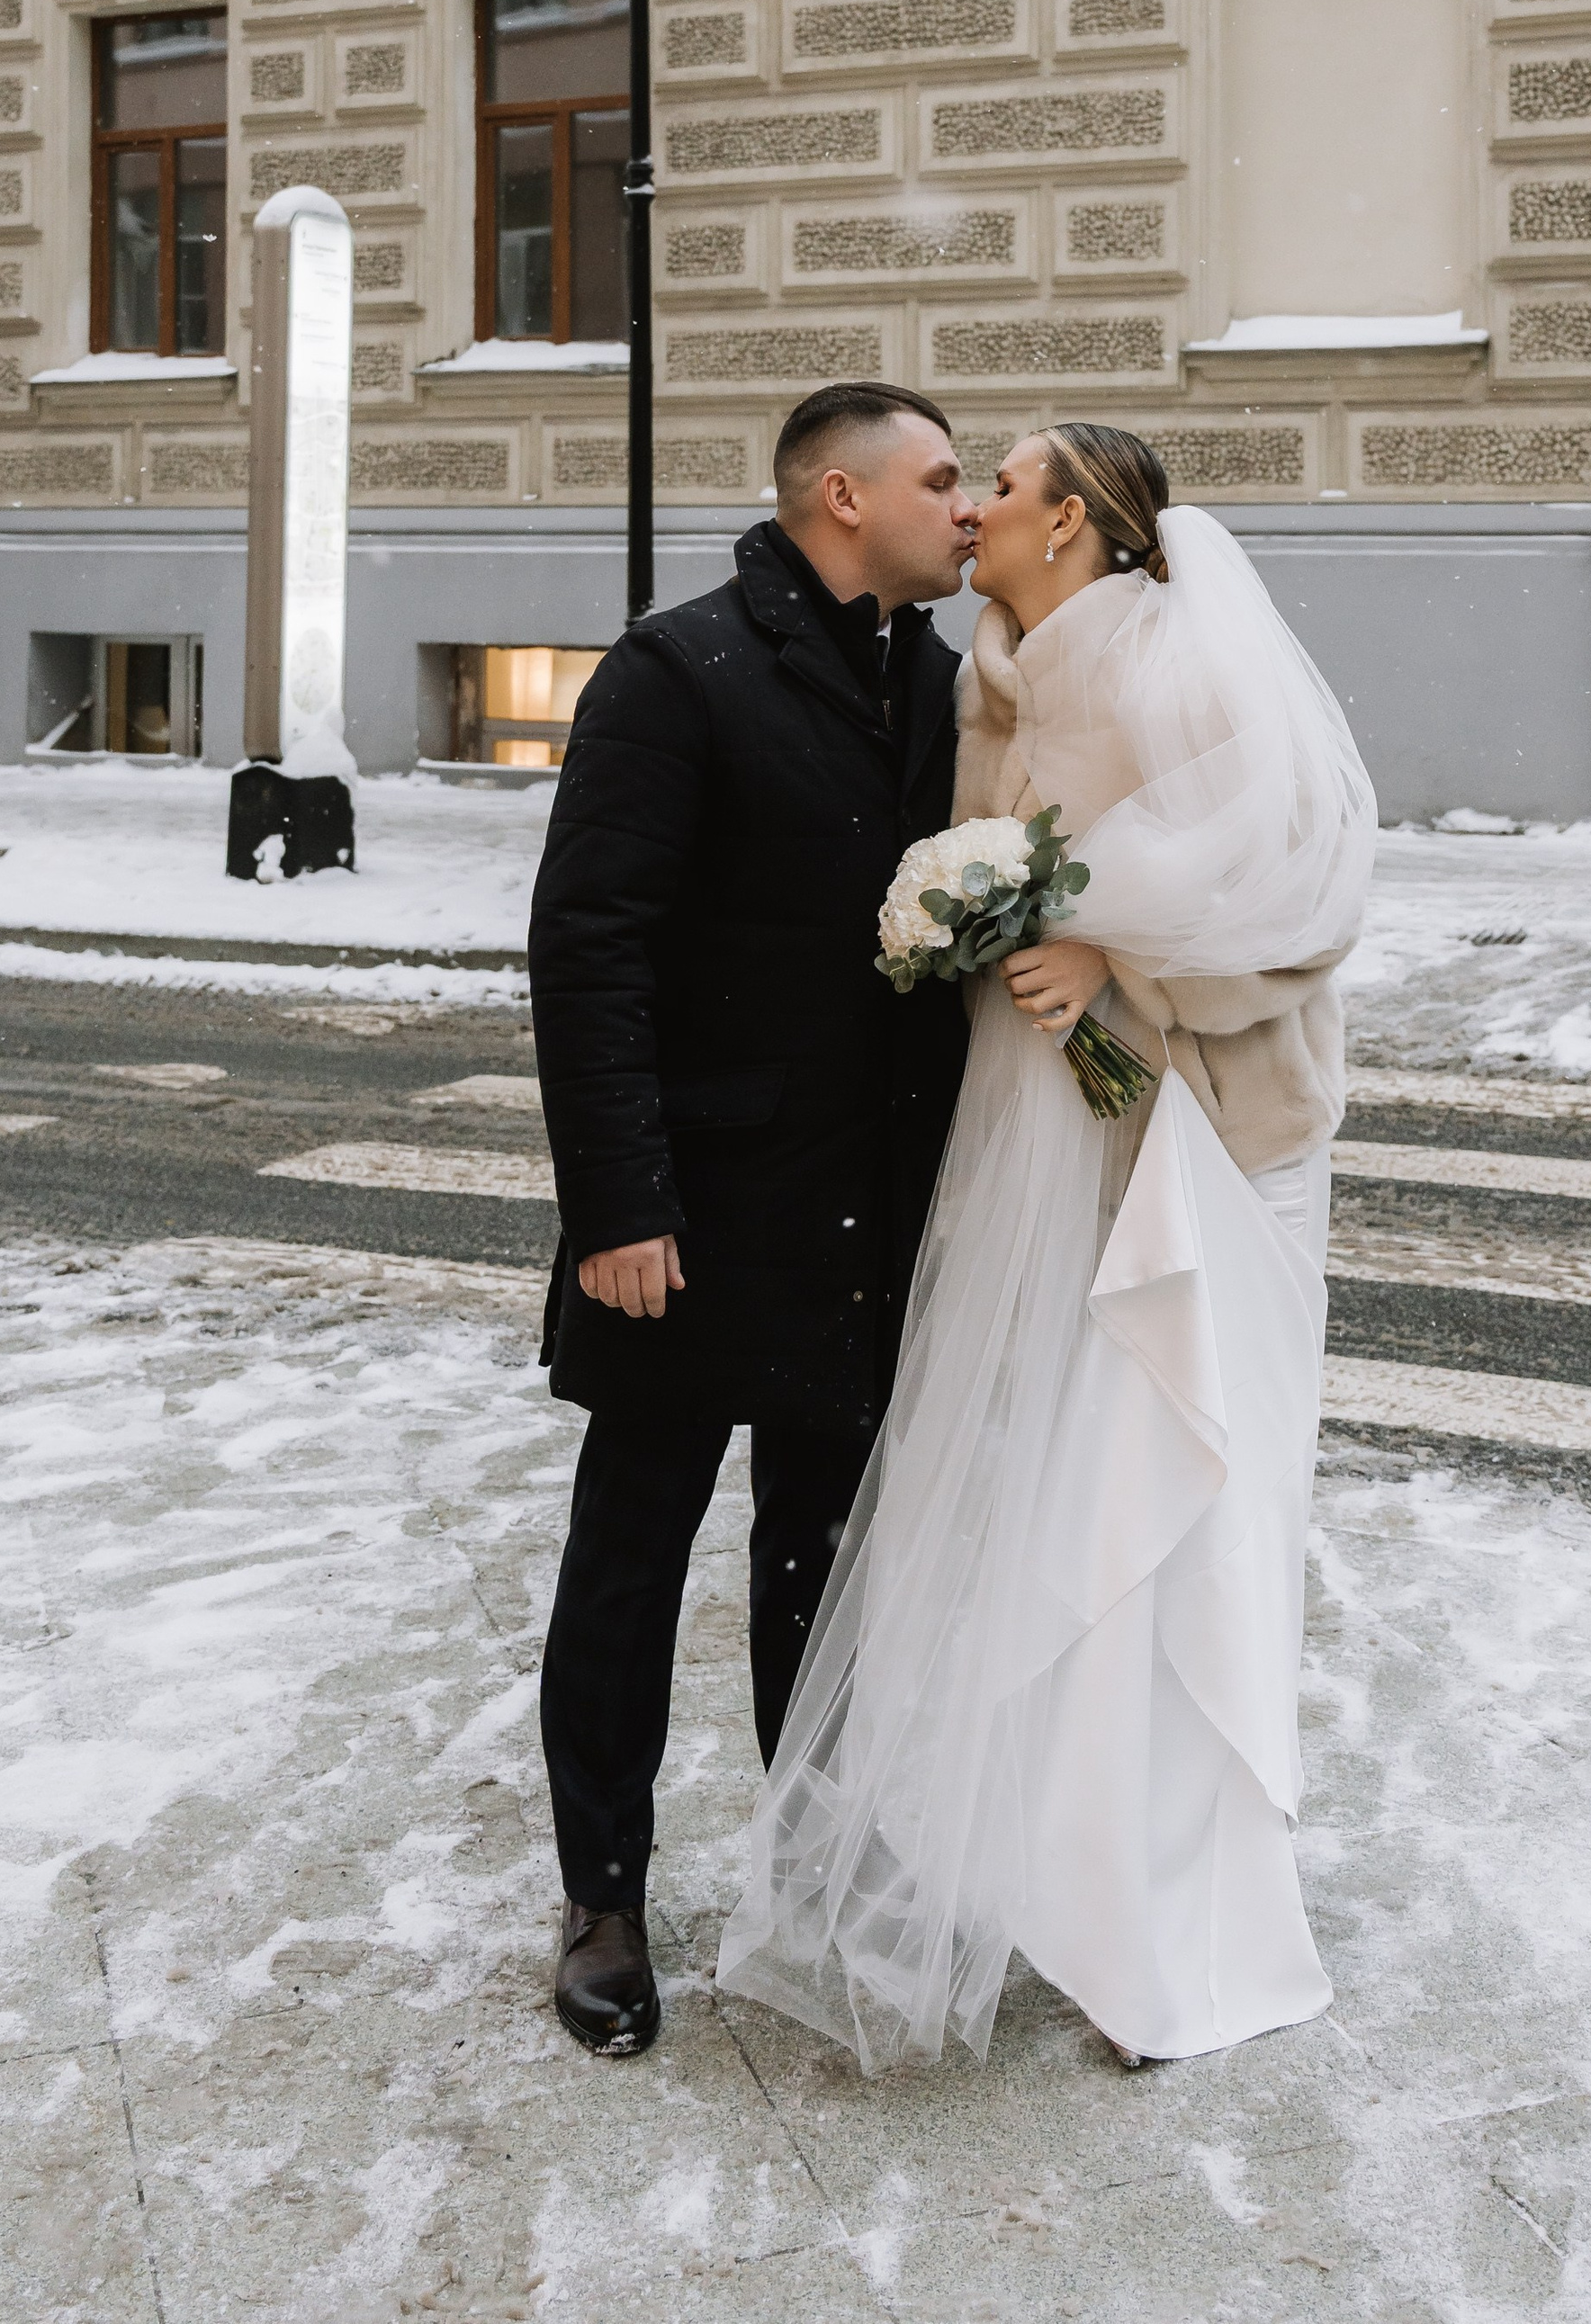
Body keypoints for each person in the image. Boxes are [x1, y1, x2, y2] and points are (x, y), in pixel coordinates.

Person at [716, 422, 1376, 2071]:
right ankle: (1062, 1885)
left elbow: (1305, 890)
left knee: (1168, 1521)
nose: (972, 511)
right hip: (1047, 1155)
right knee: (1055, 1522)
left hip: (1202, 1154)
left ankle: (1174, 1921)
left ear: (1068, 520)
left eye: (997, 486)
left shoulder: (1167, 656)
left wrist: (1108, 952)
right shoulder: (989, 678)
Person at [528, 381, 977, 2056]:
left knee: (823, 1562)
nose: (966, 507)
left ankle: (820, 1860)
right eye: (941, 479)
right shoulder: (680, 669)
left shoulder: (938, 679)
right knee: (632, 1559)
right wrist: (617, 1204)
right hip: (692, 1218)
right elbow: (590, 946)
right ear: (842, 498)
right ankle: (604, 1895)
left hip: (866, 1214)